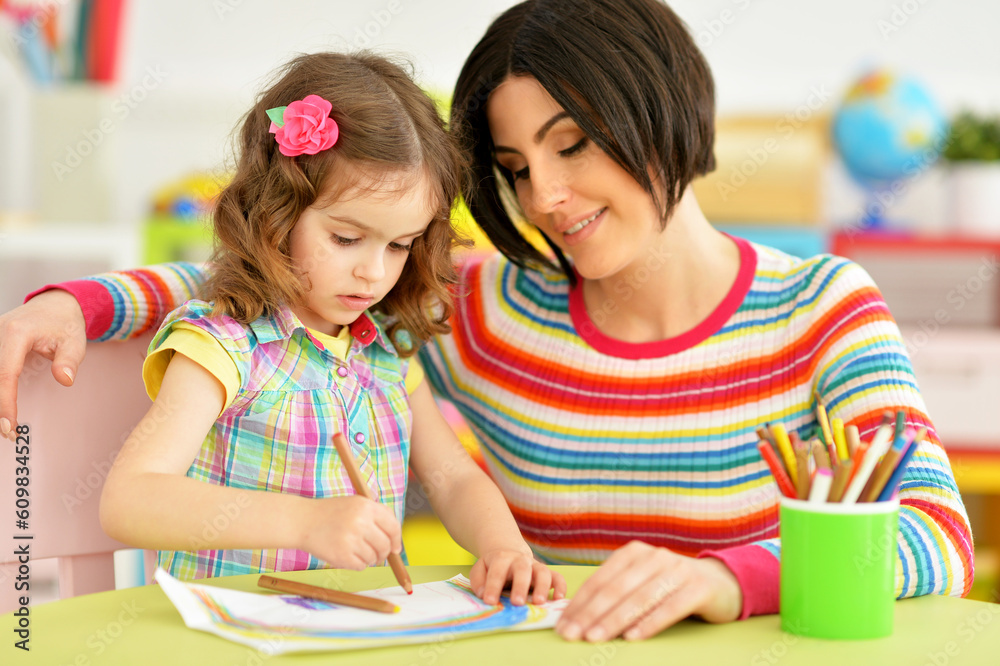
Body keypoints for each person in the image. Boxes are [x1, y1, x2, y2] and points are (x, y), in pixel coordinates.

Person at [0, 0, 973, 643]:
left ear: (664, 111)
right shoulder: (478, 307)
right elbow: (265, 290)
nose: (542, 198)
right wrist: (81, 300)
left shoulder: (823, 305)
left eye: (572, 144)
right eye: (512, 169)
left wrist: (730, 581)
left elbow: (936, 536)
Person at [77, 51, 565, 605]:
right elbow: (129, 501)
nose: (373, 271)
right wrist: (305, 523)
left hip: (354, 628)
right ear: (276, 213)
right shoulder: (225, 346)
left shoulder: (386, 349)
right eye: (347, 239)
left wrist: (505, 548)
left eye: (400, 245)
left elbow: (453, 478)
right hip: (232, 629)